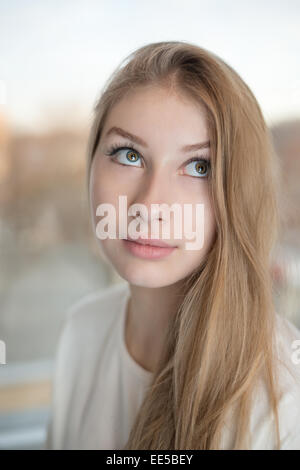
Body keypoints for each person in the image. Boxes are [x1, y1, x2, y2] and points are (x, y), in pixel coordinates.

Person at [44, 41, 300, 450]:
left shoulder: (284, 400)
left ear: (240, 193)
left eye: (199, 167)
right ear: (91, 163)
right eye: (128, 154)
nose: (149, 205)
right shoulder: (82, 329)